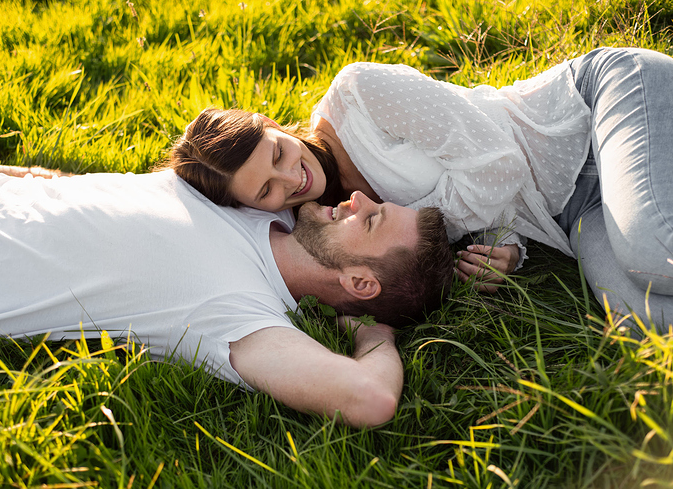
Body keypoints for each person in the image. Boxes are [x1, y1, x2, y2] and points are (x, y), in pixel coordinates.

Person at [170, 47, 673, 333]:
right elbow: (497, 209)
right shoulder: (336, 218)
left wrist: (419, 227)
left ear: (274, 124)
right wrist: (504, 253)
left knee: (650, 251)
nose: (292, 179)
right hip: (570, 208)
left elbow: (498, 164)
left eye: (278, 154)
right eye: (266, 192)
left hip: (594, 116)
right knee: (645, 317)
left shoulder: (359, 95)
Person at [0, 157, 454, 428]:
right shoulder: (266, 203)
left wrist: (375, 339)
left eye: (372, 219)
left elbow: (372, 399)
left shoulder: (239, 316)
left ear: (360, 283)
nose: (358, 199)